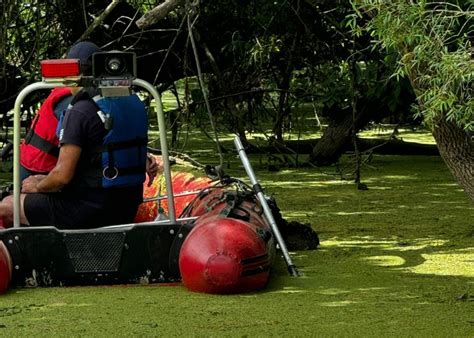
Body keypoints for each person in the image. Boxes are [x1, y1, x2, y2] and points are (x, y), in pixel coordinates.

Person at [0, 41, 158, 229]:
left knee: (7, 205)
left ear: (69, 73)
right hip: (127, 206)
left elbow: (61, 178)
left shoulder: (80, 111)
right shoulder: (134, 104)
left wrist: (37, 187)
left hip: (88, 210)